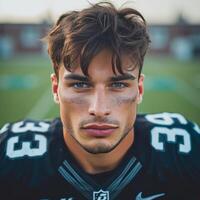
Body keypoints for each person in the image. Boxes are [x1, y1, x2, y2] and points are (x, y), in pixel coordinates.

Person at [0, 2, 199, 200]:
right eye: (80, 85)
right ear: (56, 88)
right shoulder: (9, 155)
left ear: (139, 89)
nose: (99, 109)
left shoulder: (185, 150)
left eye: (119, 85)